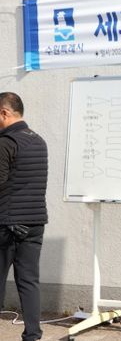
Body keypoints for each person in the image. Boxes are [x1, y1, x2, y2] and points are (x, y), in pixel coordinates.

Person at [0, 93, 48, 341]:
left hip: (7, 224)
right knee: (29, 281)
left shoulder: (6, 142)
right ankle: (33, 335)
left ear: (4, 113)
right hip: (34, 223)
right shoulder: (39, 141)